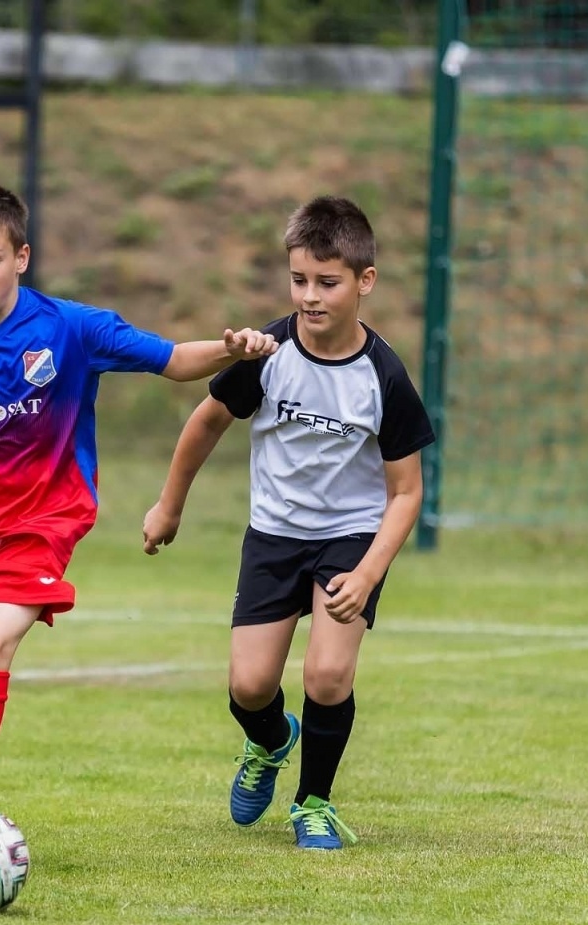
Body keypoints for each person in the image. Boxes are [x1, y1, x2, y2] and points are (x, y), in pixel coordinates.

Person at [0, 178, 279, 878]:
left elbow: (171, 361)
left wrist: (232, 350)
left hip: (44, 519)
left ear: (21, 256)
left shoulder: (70, 328)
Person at [141, 195, 434, 850]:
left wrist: (367, 571)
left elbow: (407, 491)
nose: (309, 296)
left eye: (326, 282)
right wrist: (170, 505)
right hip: (274, 535)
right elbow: (206, 421)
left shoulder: (382, 376)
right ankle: (272, 743)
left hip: (351, 537)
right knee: (249, 688)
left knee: (328, 675)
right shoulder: (267, 355)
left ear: (365, 282)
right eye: (299, 280)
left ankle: (315, 803)